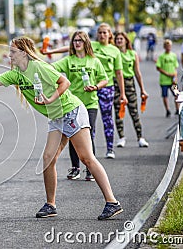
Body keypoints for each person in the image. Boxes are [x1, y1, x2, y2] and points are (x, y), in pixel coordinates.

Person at [0, 36, 123, 220]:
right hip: (56, 117)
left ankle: (112, 202)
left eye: (12, 52)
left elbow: (64, 83)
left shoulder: (39, 67)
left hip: (71, 112)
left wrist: (50, 99)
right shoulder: (16, 75)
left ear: (23, 52)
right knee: (47, 158)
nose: (9, 55)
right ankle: (50, 205)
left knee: (86, 158)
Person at [43, 23, 127, 159]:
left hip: (106, 87)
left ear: (110, 34)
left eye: (105, 32)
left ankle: (109, 148)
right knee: (81, 130)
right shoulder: (90, 45)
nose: (102, 35)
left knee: (106, 119)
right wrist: (50, 52)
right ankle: (80, 162)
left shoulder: (114, 51)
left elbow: (119, 73)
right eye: (100, 32)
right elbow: (69, 47)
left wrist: (122, 93)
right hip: (82, 92)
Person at [51, 31, 108, 181]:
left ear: (86, 43)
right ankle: (75, 167)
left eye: (80, 41)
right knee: (72, 134)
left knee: (89, 135)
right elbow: (51, 68)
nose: (77, 43)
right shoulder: (69, 60)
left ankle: (90, 169)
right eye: (75, 41)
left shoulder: (94, 61)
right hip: (73, 105)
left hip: (90, 103)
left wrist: (95, 87)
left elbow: (104, 79)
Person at [114, 32, 149, 148]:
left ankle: (140, 137)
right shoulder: (114, 53)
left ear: (126, 41)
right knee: (119, 111)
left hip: (130, 84)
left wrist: (142, 89)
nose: (119, 41)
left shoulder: (132, 54)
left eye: (121, 39)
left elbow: (137, 73)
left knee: (134, 112)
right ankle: (121, 137)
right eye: (117, 39)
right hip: (117, 84)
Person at [156, 39, 179, 117]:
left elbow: (176, 67)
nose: (168, 47)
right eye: (167, 46)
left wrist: (175, 77)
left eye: (169, 46)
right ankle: (167, 110)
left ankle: (177, 109)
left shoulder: (174, 55)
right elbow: (158, 67)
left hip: (172, 80)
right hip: (164, 80)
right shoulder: (162, 56)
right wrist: (167, 74)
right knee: (165, 95)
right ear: (164, 47)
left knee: (176, 94)